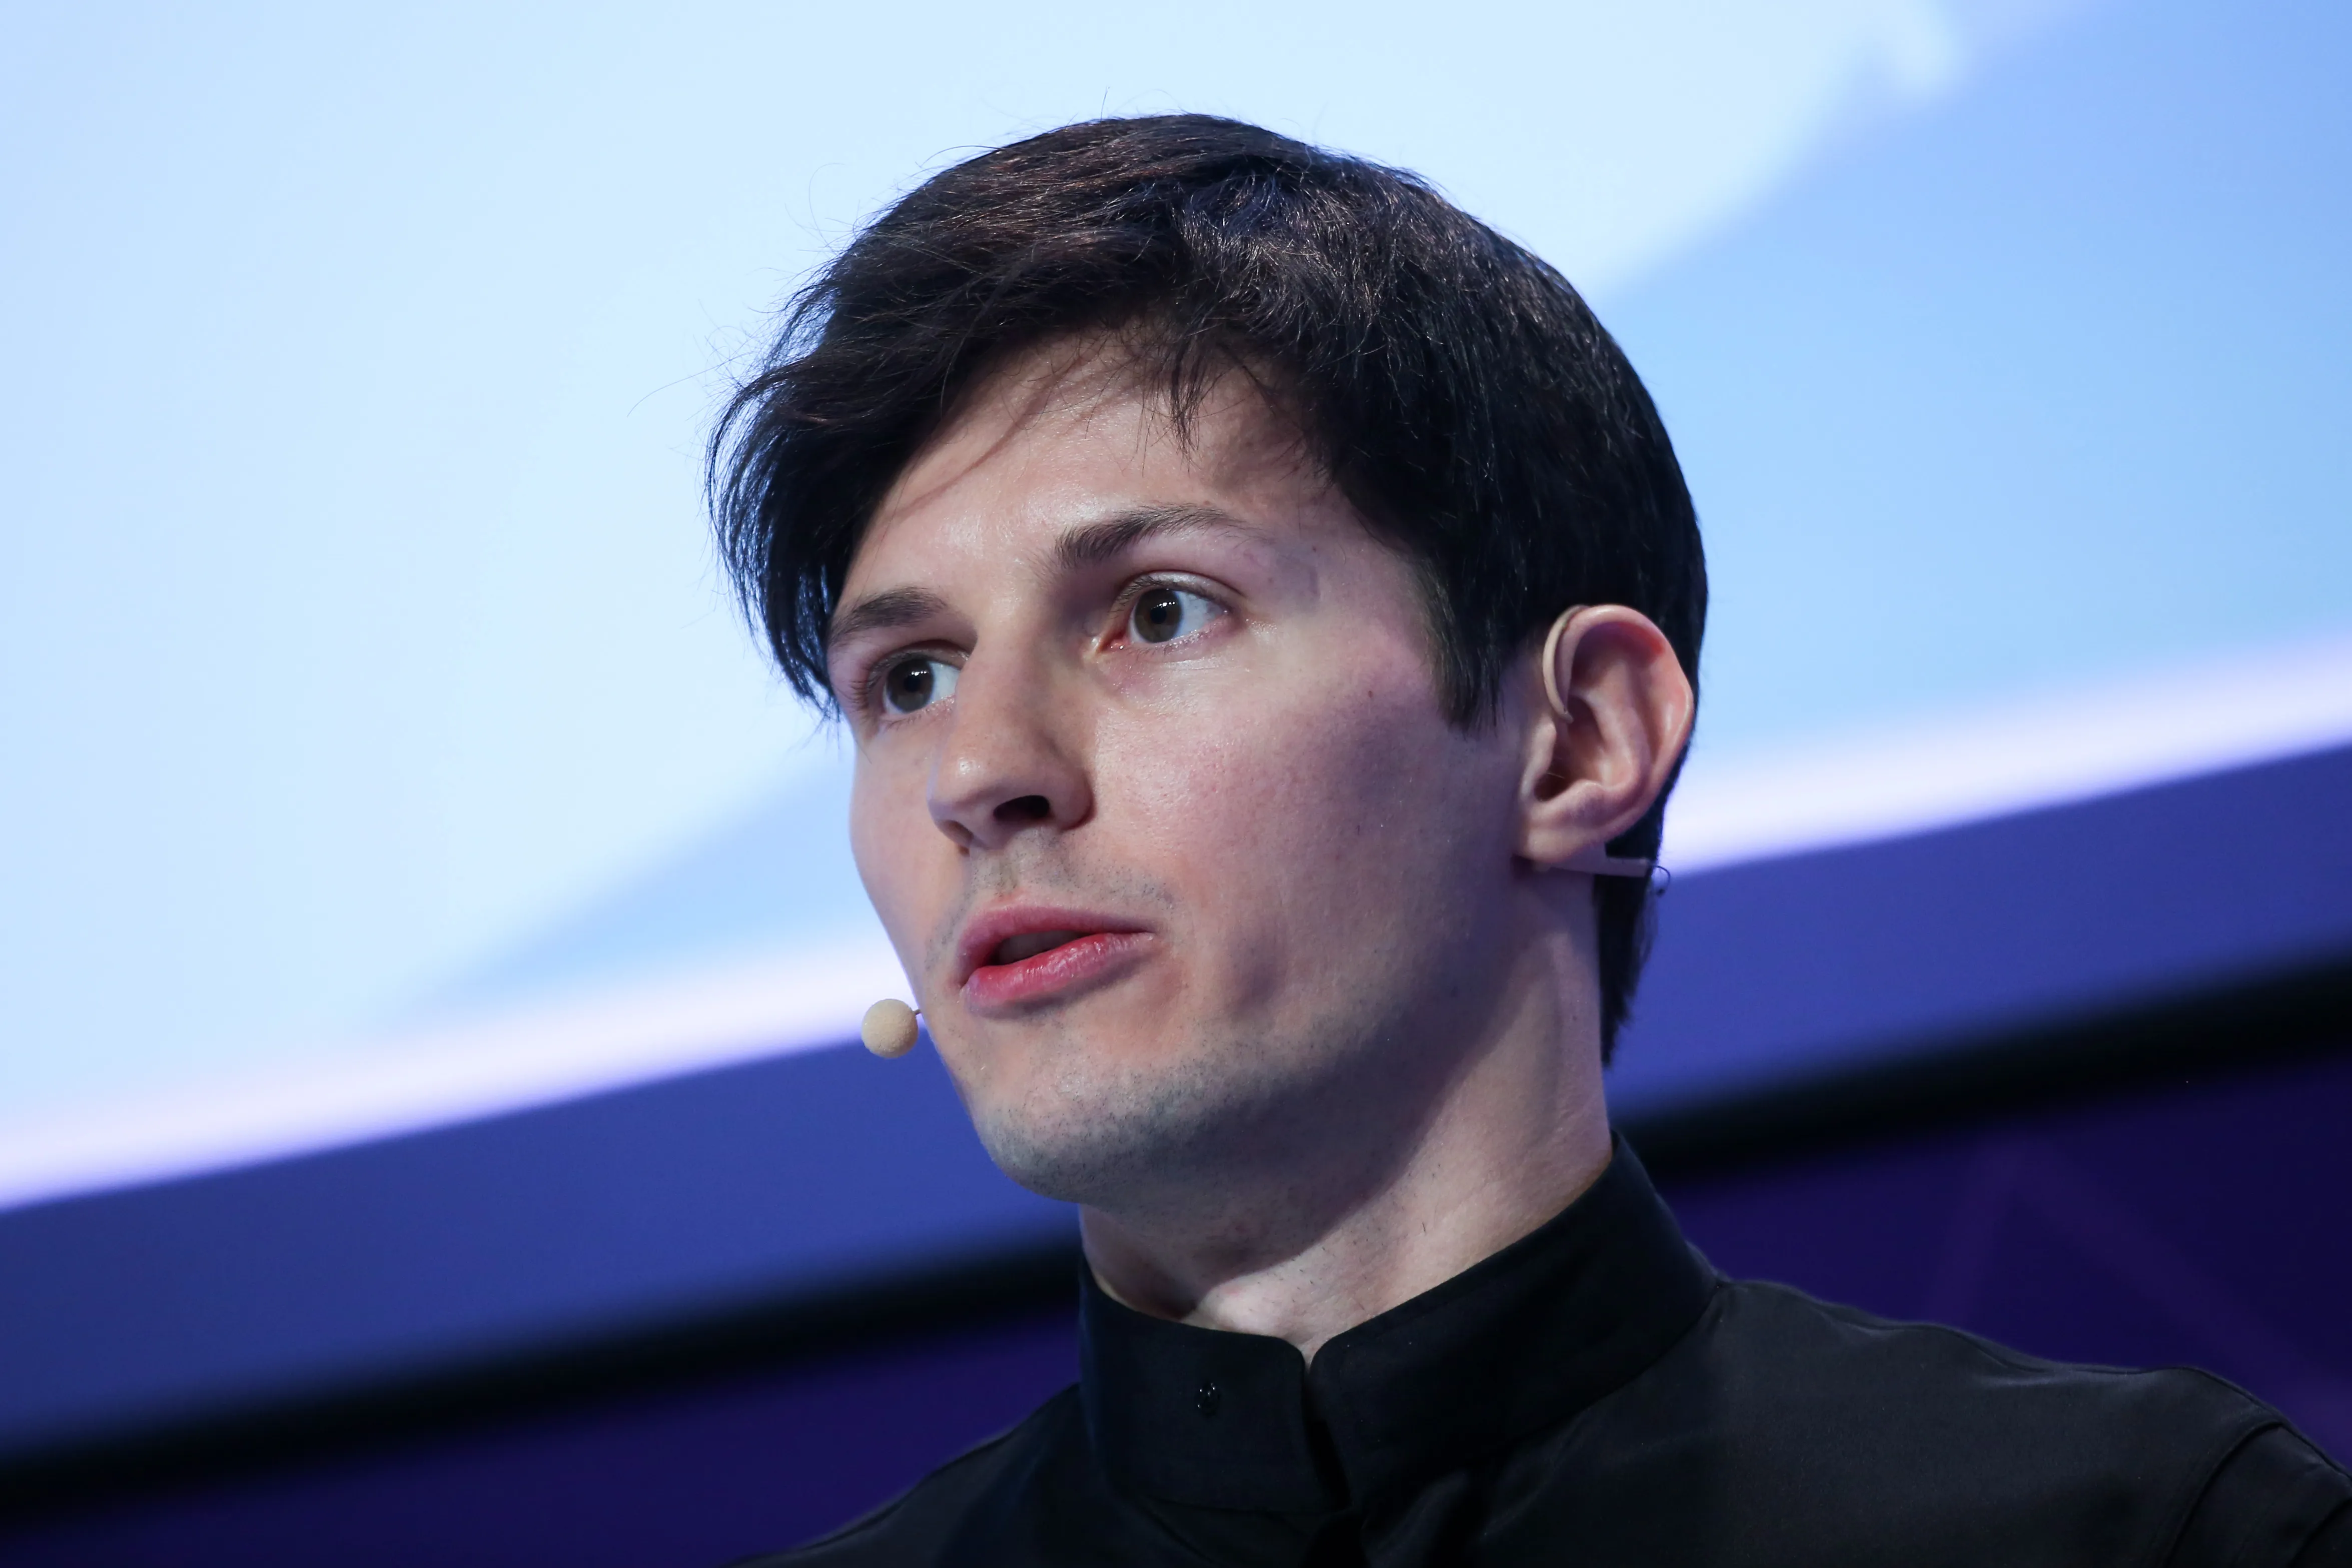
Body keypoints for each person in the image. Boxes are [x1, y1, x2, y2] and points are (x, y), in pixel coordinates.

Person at [710, 115, 2349, 1566]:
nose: (979, 771)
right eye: (908, 678)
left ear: (1579, 737)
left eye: (1159, 610)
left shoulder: (2140, 1531)